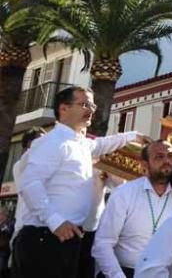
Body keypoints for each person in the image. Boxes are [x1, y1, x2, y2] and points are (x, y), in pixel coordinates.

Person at [12, 86, 144, 278]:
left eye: (92, 105)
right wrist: (55, 221)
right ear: (63, 109)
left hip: (67, 238)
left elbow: (101, 144)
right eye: (84, 104)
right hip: (46, 238)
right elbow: (30, 184)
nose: (90, 110)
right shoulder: (52, 142)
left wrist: (133, 137)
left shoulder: (80, 143)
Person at [92, 140, 172, 278]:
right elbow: (102, 244)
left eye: (170, 155)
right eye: (159, 156)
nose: (167, 160)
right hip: (124, 272)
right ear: (145, 164)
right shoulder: (124, 193)